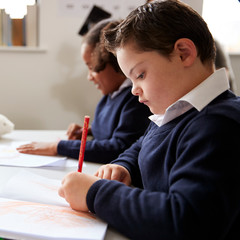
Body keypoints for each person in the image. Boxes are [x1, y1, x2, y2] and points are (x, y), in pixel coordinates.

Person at [58, 1, 240, 239]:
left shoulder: (218, 125)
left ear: (183, 53)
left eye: (140, 75)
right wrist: (124, 167)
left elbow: (185, 219)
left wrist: (95, 193)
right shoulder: (176, 112)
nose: (134, 90)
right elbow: (142, 144)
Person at [17, 19, 151, 164]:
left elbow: (118, 147)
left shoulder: (135, 99)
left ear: (113, 60)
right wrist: (88, 131)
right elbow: (109, 131)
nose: (89, 77)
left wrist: (58, 146)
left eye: (92, 67)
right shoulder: (110, 96)